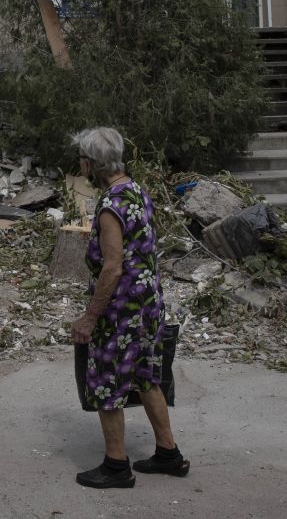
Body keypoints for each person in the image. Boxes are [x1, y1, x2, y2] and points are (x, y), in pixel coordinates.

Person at [70, 127, 189, 489]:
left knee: (107, 383)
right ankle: (169, 453)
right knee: (145, 377)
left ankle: (116, 466)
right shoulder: (136, 191)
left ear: (90, 164)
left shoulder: (110, 206)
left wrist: (90, 316)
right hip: (148, 305)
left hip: (121, 312)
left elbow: (112, 266)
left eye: (82, 160)